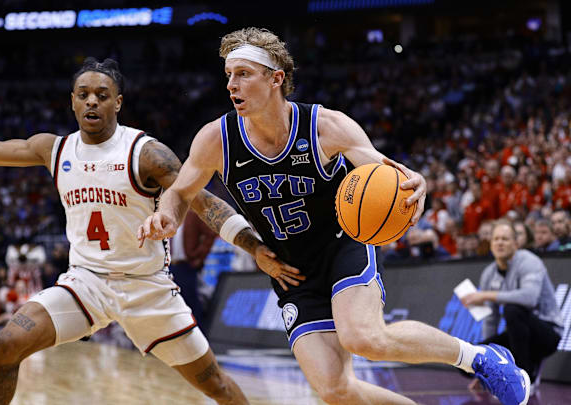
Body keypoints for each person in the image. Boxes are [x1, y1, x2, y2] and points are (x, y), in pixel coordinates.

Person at [139, 27, 530, 405]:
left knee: (365, 338)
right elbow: (181, 191)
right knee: (334, 390)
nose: (231, 85)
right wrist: (168, 216)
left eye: (243, 74)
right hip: (290, 269)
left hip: (343, 245)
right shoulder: (216, 139)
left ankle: (479, 358)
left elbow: (387, 172)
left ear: (276, 78)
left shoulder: (325, 126)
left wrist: (415, 183)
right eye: (228, 76)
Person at [0, 57, 292, 405]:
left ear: (117, 102)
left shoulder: (145, 153)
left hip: (146, 288)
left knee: (218, 386)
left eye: (102, 95)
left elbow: (203, 202)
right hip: (85, 284)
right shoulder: (56, 149)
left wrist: (253, 246)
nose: (91, 101)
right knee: (7, 343)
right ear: (72, 100)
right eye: (83, 94)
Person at [462, 219, 562, 393]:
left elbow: (529, 298)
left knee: (513, 309)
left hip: (547, 332)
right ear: (491, 244)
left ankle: (525, 378)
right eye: (496, 239)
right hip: (519, 335)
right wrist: (488, 366)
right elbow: (490, 319)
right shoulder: (489, 273)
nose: (500, 242)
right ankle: (493, 377)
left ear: (516, 244)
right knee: (473, 357)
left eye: (505, 239)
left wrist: (485, 295)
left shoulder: (529, 261)